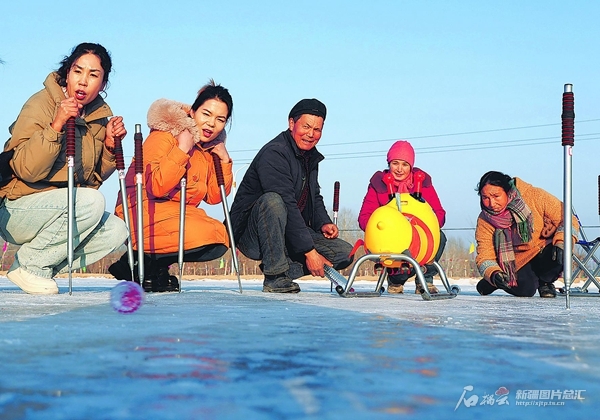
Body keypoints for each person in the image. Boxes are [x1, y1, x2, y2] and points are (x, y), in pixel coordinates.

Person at [0, 43, 129, 294]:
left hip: (61, 211)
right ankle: (30, 265)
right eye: (77, 71)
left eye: (93, 75)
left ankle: (38, 268)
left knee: (116, 230)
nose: (83, 81)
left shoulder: (98, 117)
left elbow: (90, 182)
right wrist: (56, 125)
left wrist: (111, 148)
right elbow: (24, 168)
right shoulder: (41, 103)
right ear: (67, 73)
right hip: (17, 208)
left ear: (103, 84)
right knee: (91, 202)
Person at [108, 81, 234, 292]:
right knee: (202, 232)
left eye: (220, 119)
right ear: (193, 112)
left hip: (176, 214)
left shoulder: (206, 149)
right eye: (206, 114)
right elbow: (156, 187)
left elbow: (214, 196)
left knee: (219, 235)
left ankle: (152, 266)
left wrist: (224, 160)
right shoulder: (164, 135)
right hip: (141, 209)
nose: (211, 124)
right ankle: (144, 264)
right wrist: (182, 149)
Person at [229, 98, 353, 293]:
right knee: (273, 201)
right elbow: (286, 202)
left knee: (344, 253)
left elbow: (315, 195)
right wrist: (310, 252)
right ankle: (275, 275)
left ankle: (281, 268)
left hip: (289, 232)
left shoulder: (310, 156)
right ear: (291, 123)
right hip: (254, 234)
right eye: (306, 126)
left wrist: (323, 223)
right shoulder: (275, 153)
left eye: (317, 129)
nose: (311, 134)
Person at [358, 140, 446, 294]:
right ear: (389, 163)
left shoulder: (423, 184)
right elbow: (364, 218)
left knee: (440, 237)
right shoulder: (378, 185)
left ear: (411, 166)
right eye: (395, 163)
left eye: (404, 164)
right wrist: (382, 223)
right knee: (395, 246)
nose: (399, 169)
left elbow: (439, 214)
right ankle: (395, 279)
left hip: (419, 234)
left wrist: (424, 223)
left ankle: (425, 279)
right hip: (390, 237)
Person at [475, 171, 577, 298]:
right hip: (516, 261)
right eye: (485, 198)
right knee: (525, 291)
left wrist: (562, 241)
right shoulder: (485, 220)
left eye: (496, 196)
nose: (491, 203)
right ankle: (495, 282)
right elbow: (485, 255)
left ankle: (546, 282)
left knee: (559, 252)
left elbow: (568, 218)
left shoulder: (536, 196)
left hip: (543, 248)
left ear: (507, 192)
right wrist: (493, 273)